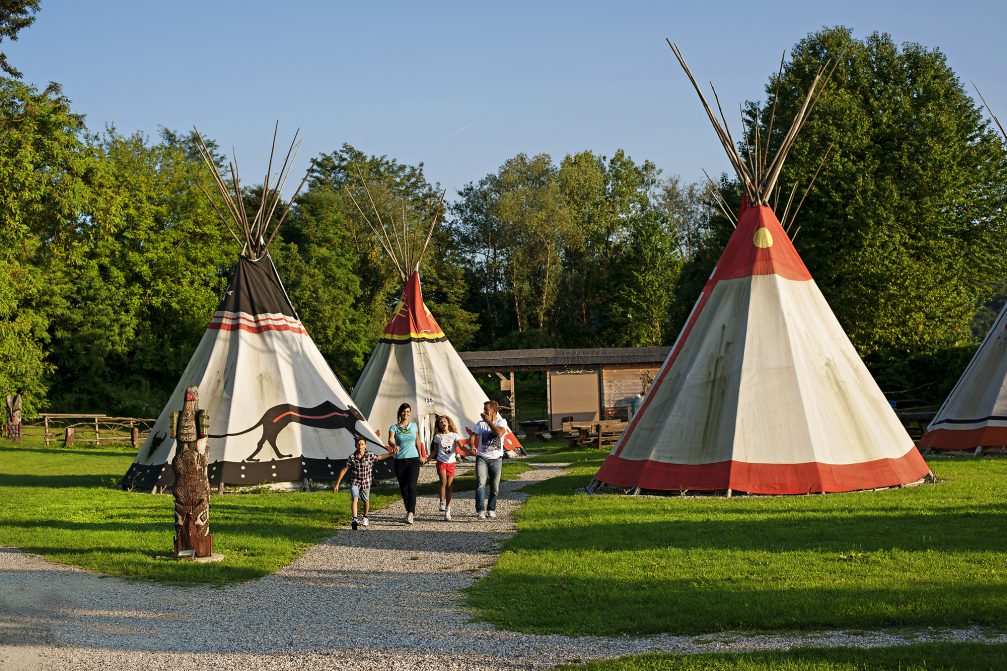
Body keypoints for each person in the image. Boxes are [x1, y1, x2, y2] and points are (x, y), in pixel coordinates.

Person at [334, 436, 393, 530]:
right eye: (358, 444)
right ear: (355, 445)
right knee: (354, 498)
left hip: (366, 481)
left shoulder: (369, 455)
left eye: (362, 444)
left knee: (366, 500)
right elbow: (344, 469)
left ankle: (365, 517)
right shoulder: (352, 457)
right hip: (355, 481)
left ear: (365, 445)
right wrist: (337, 484)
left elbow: (380, 457)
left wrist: (391, 453)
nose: (360, 446)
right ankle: (354, 519)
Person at [388, 402, 425, 524]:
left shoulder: (414, 426)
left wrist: (421, 455)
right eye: (404, 411)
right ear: (400, 413)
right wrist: (394, 445)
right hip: (399, 460)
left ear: (410, 413)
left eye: (408, 412)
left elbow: (418, 441)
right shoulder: (394, 427)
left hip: (413, 458)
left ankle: (411, 513)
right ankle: (408, 510)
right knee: (403, 487)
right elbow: (390, 439)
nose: (406, 414)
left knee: (412, 486)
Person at [471, 400, 508, 520]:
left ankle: (491, 509)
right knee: (480, 483)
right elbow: (472, 436)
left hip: (496, 458)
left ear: (493, 411)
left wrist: (487, 420)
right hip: (482, 457)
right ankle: (480, 510)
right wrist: (471, 445)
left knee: (495, 486)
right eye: (484, 409)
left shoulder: (501, 422)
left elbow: (498, 433)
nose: (484, 412)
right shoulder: (480, 423)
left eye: (486, 409)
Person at [431, 415, 463, 521]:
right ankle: (442, 502)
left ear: (448, 423)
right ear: (438, 425)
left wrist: (469, 450)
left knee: (450, 486)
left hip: (451, 463)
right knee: (443, 482)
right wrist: (426, 459)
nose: (443, 423)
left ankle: (448, 510)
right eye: (440, 422)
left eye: (444, 421)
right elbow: (435, 451)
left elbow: (461, 446)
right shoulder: (437, 436)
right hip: (441, 462)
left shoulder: (454, 435)